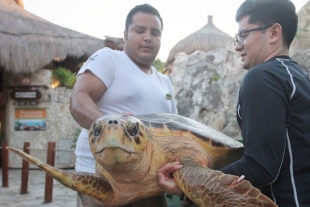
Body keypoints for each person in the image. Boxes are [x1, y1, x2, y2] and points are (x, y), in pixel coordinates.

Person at [157, 0, 310, 206]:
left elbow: (260, 167)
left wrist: (191, 184)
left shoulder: (263, 77)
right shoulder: (300, 76)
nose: (237, 45)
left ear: (274, 33)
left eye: (244, 35)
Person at [70, 4, 178, 207]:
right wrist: (110, 125)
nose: (148, 37)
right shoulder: (110, 59)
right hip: (103, 185)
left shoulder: (165, 82)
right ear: (126, 34)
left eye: (155, 33)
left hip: (150, 185)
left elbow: (173, 134)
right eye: (140, 30)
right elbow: (79, 98)